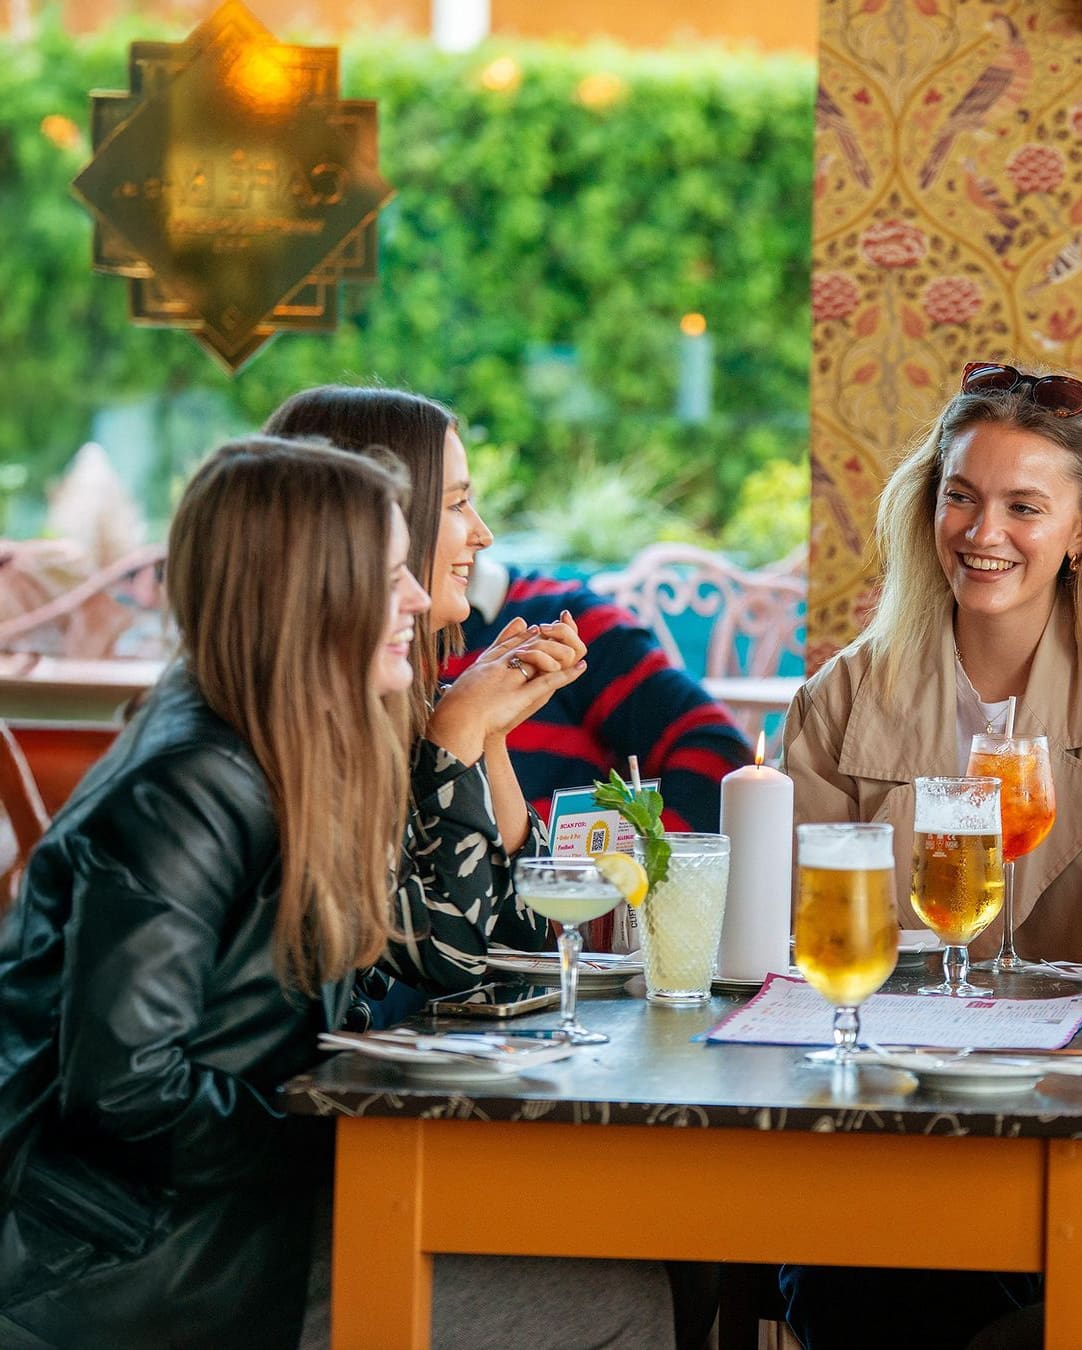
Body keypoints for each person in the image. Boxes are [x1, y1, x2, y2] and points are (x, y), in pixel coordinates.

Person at [0, 438, 676, 1350]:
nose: (413, 597)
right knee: (614, 1304)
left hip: (204, 1219)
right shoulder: (192, 787)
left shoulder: (280, 744)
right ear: (310, 590)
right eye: (388, 571)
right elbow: (124, 1092)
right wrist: (348, 1134)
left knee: (615, 1259)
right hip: (130, 1267)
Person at [778, 361, 1082, 1348]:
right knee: (840, 1267)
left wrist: (1074, 1063)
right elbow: (803, 941)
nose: (981, 532)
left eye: (1022, 506)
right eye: (960, 496)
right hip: (894, 1116)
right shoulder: (841, 698)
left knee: (1034, 1247)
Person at [264, 386, 588, 1000]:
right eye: (459, 505)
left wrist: (488, 732)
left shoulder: (395, 702)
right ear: (367, 520)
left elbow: (529, 934)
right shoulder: (301, 732)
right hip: (302, 1095)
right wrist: (458, 730)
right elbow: (449, 954)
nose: (483, 535)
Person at [445, 556, 752, 832]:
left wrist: (639, 869)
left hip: (567, 890)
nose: (483, 533)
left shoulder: (566, 622)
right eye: (455, 505)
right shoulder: (400, 653)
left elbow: (716, 747)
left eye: (465, 498)